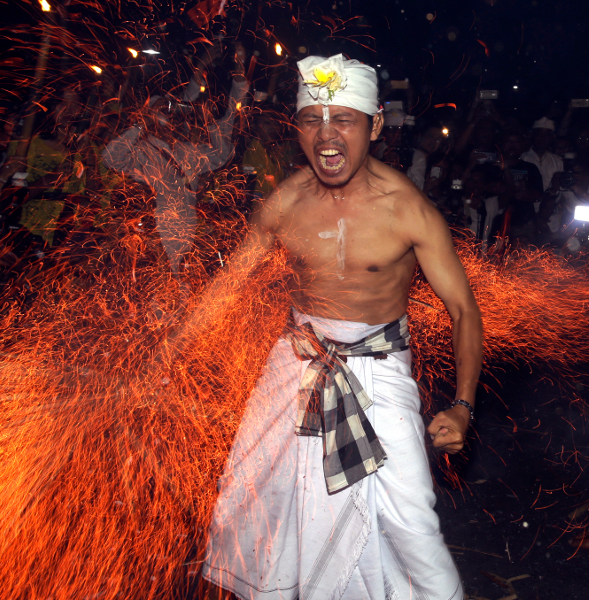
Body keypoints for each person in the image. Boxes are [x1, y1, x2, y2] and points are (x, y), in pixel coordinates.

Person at [166, 54, 482, 600]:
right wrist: (167, 354)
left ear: (375, 125)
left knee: (408, 518)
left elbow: (464, 311)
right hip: (296, 364)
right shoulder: (285, 201)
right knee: (266, 498)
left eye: (345, 119)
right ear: (297, 126)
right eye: (313, 119)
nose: (327, 135)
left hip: (378, 372)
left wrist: (463, 404)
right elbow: (226, 286)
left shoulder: (408, 209)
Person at [102, 45, 249, 285]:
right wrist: (141, 126)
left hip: (185, 228)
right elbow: (110, 159)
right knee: (153, 287)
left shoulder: (185, 151)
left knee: (180, 286)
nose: (168, 117)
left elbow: (220, 155)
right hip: (151, 234)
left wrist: (208, 119)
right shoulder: (142, 150)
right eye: (161, 113)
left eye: (169, 113)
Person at [520, 117, 563, 192]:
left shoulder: (558, 160)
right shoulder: (522, 158)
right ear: (533, 135)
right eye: (539, 134)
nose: (543, 138)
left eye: (547, 135)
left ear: (551, 138)